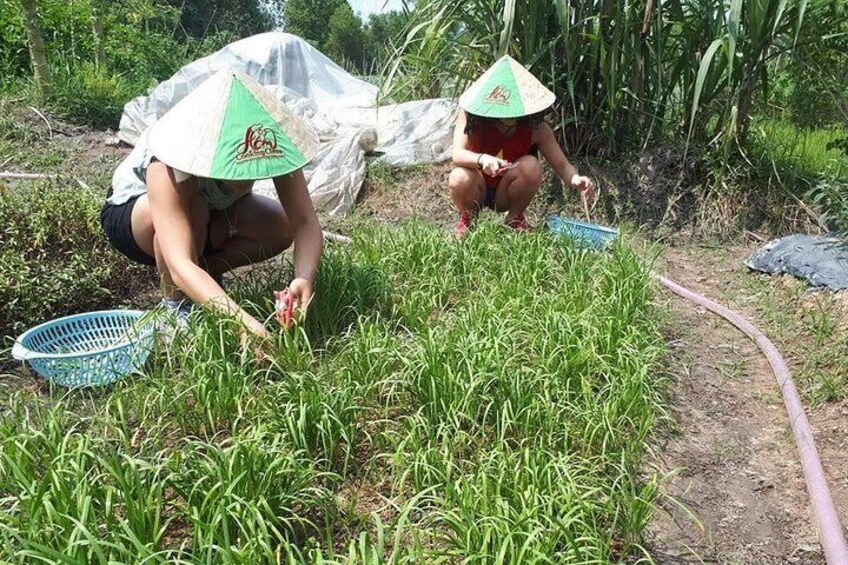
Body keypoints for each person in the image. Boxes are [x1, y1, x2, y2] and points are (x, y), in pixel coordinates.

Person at [100, 70, 323, 339]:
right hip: (137, 214)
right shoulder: (170, 158)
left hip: (212, 211)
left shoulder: (268, 140)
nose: (248, 178)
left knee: (279, 225)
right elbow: (179, 261)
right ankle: (175, 308)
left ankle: (206, 276)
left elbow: (305, 222)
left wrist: (303, 278)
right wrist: (242, 325)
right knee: (192, 212)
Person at [449, 55, 595, 237]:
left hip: (505, 190)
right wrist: (482, 159)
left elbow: (562, 165)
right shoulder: (470, 116)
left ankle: (514, 218)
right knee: (458, 176)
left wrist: (575, 179)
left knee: (531, 165)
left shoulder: (538, 129)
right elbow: (457, 154)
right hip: (477, 185)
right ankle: (468, 219)